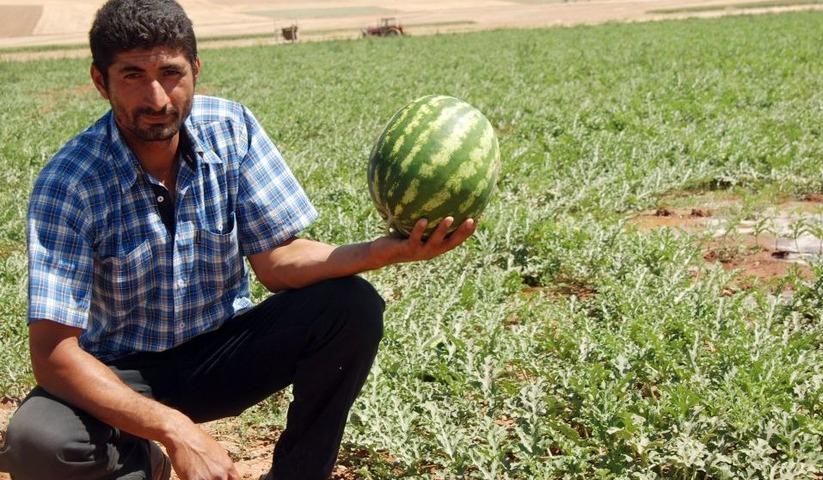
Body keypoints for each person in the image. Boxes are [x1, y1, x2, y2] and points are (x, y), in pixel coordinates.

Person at [0, 1, 476, 479]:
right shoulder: (70, 182)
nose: (158, 97)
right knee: (39, 442)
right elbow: (53, 353)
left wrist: (384, 251)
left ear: (196, 70)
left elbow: (278, 260)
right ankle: (143, 456)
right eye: (131, 75)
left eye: (171, 72)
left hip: (223, 355)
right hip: (125, 370)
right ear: (100, 81)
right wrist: (172, 428)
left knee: (350, 306)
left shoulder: (230, 130)